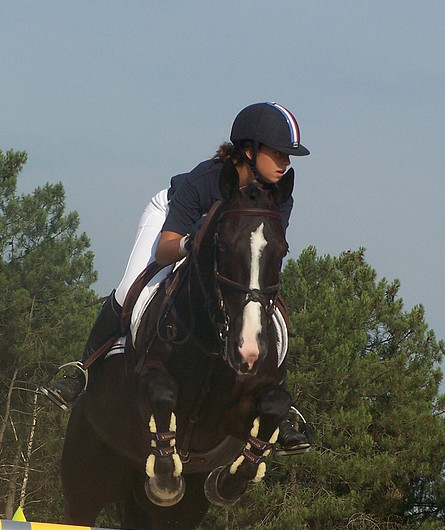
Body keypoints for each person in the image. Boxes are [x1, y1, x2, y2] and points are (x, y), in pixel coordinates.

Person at [45, 102, 312, 455]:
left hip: (228, 254)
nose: (285, 164)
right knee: (131, 290)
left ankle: (281, 404)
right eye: (279, 153)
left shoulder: (278, 195)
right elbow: (166, 250)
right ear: (249, 150)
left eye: (289, 156)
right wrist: (195, 241)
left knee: (269, 310)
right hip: (172, 225)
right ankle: (82, 372)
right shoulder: (206, 179)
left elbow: (261, 253)